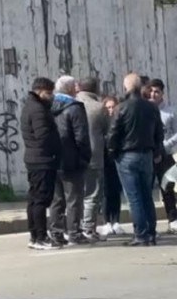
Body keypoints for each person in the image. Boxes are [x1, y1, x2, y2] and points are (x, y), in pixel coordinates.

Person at [107, 72, 164, 246]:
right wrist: (156, 151)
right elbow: (159, 133)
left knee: (134, 197)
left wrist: (112, 152)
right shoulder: (152, 108)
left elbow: (113, 133)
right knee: (147, 195)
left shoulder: (121, 108)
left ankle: (141, 234)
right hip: (146, 154)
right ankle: (151, 233)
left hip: (127, 155)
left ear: (126, 87)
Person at [20, 77, 63, 250]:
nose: (51, 96)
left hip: (35, 159)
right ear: (39, 91)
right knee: (40, 200)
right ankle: (41, 237)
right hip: (42, 160)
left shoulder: (30, 106)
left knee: (34, 199)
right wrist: (55, 150)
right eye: (49, 93)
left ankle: (34, 236)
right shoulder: (38, 109)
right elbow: (43, 136)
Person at [49, 75, 93, 245]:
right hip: (72, 160)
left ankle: (56, 232)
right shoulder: (74, 108)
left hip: (54, 159)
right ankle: (74, 232)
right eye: (75, 85)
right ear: (69, 88)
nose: (77, 88)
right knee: (74, 199)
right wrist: (85, 157)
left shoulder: (49, 106)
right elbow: (81, 136)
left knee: (57, 199)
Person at [75, 77, 110, 240]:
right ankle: (88, 228)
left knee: (75, 195)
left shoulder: (71, 104)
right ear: (96, 89)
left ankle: (73, 227)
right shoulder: (98, 107)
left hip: (73, 157)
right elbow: (107, 130)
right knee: (92, 194)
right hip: (94, 155)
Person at [147, 78, 177, 234]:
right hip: (148, 155)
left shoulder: (170, 112)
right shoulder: (145, 110)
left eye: (157, 92)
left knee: (167, 188)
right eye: (151, 91)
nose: (153, 94)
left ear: (162, 93)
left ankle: (173, 221)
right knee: (147, 189)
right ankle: (149, 224)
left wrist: (165, 146)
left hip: (165, 155)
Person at [98, 96, 125, 236]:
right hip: (105, 160)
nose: (111, 110)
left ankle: (116, 221)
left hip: (118, 159)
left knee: (116, 191)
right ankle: (106, 221)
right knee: (106, 192)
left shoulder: (120, 121)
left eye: (113, 107)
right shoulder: (102, 123)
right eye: (108, 107)